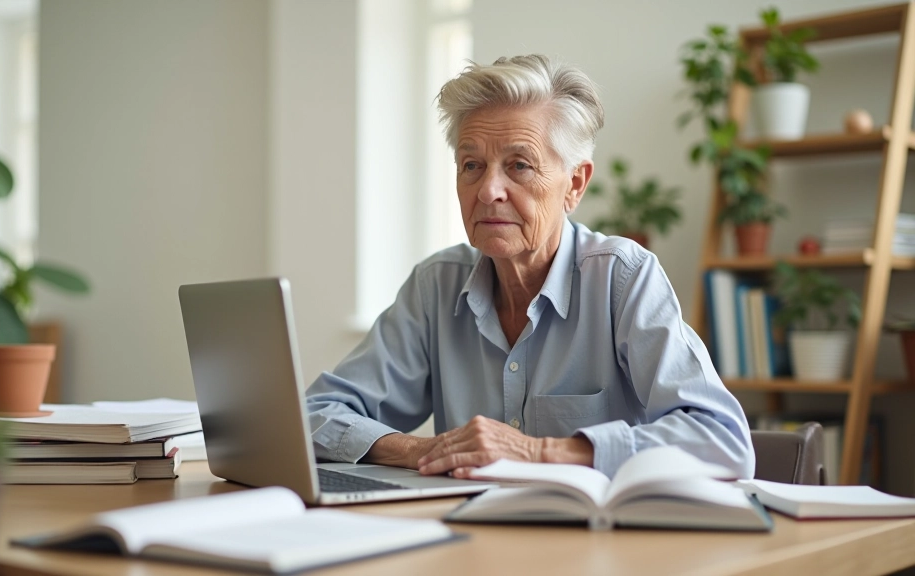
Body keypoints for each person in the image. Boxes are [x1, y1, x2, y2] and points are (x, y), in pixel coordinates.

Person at [305, 54, 754, 480]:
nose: (487, 191)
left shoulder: (622, 277)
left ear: (574, 185)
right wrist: (420, 450)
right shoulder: (436, 285)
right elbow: (315, 414)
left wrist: (537, 453)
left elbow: (722, 439)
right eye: (471, 166)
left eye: (519, 165)